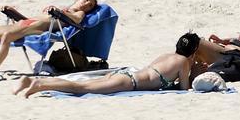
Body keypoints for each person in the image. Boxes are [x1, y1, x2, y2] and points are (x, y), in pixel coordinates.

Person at [16, 33, 200, 98]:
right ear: (193, 51)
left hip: (125, 75)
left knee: (84, 85)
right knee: (82, 87)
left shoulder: (166, 56)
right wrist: (195, 71)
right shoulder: (183, 62)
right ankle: (39, 85)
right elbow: (184, 88)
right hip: (129, 83)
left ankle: (32, 83)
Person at [0, 0, 100, 80]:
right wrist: (13, 12)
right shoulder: (61, 8)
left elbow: (76, 20)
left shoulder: (78, 13)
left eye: (90, 6)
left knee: (7, 36)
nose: (87, 4)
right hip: (26, 22)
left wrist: (60, 12)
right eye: (87, 0)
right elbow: (27, 19)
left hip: (39, 29)